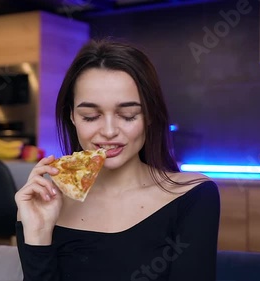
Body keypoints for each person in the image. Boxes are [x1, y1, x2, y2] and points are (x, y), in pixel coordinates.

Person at [14, 39, 220, 281]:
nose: (109, 131)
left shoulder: (193, 197)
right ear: (72, 116)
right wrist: (38, 235)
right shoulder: (41, 206)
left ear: (150, 115)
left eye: (127, 115)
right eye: (90, 116)